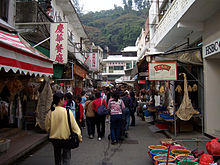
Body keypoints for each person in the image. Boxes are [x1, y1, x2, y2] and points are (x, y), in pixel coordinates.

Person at [45, 92, 82, 165]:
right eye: (63, 99)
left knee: (57, 158)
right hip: (66, 139)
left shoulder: (50, 112)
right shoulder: (67, 112)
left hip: (55, 140)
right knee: (66, 158)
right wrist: (79, 137)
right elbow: (75, 127)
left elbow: (47, 127)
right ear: (60, 100)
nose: (64, 101)